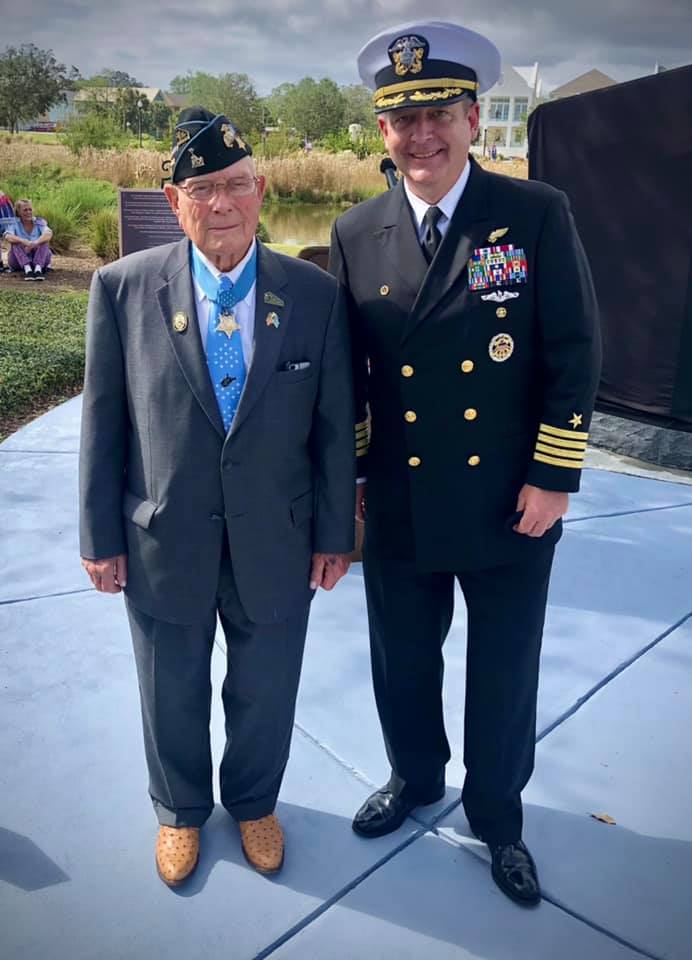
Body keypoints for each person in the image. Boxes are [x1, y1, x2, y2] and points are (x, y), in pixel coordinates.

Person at [329, 22, 601, 906]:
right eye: (403, 121)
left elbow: (574, 352)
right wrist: (354, 481)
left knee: (503, 671)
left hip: (509, 498)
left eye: (439, 115)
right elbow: (350, 374)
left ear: (473, 118)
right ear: (382, 132)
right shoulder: (355, 231)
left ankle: (499, 816)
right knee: (402, 660)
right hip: (402, 499)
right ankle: (414, 777)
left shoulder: (534, 213)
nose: (423, 137)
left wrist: (553, 477)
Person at [79, 107, 355, 887]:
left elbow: (334, 428)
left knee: (266, 688)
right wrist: (99, 537)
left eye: (236, 185)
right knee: (169, 687)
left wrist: (335, 533)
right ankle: (179, 810)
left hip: (278, 538)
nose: (222, 203)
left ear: (261, 190)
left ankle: (255, 803)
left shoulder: (314, 295)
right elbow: (103, 424)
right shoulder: (122, 289)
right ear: (175, 201)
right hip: (164, 538)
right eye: (202, 189)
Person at [4, 199, 53, 280]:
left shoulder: (39, 221)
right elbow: (8, 236)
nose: (28, 212)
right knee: (15, 242)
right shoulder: (14, 223)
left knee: (44, 241)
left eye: (30, 209)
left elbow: (49, 234)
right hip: (17, 262)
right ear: (19, 212)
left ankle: (38, 270)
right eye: (25, 210)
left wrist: (35, 243)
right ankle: (27, 269)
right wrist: (23, 241)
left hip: (40, 260)